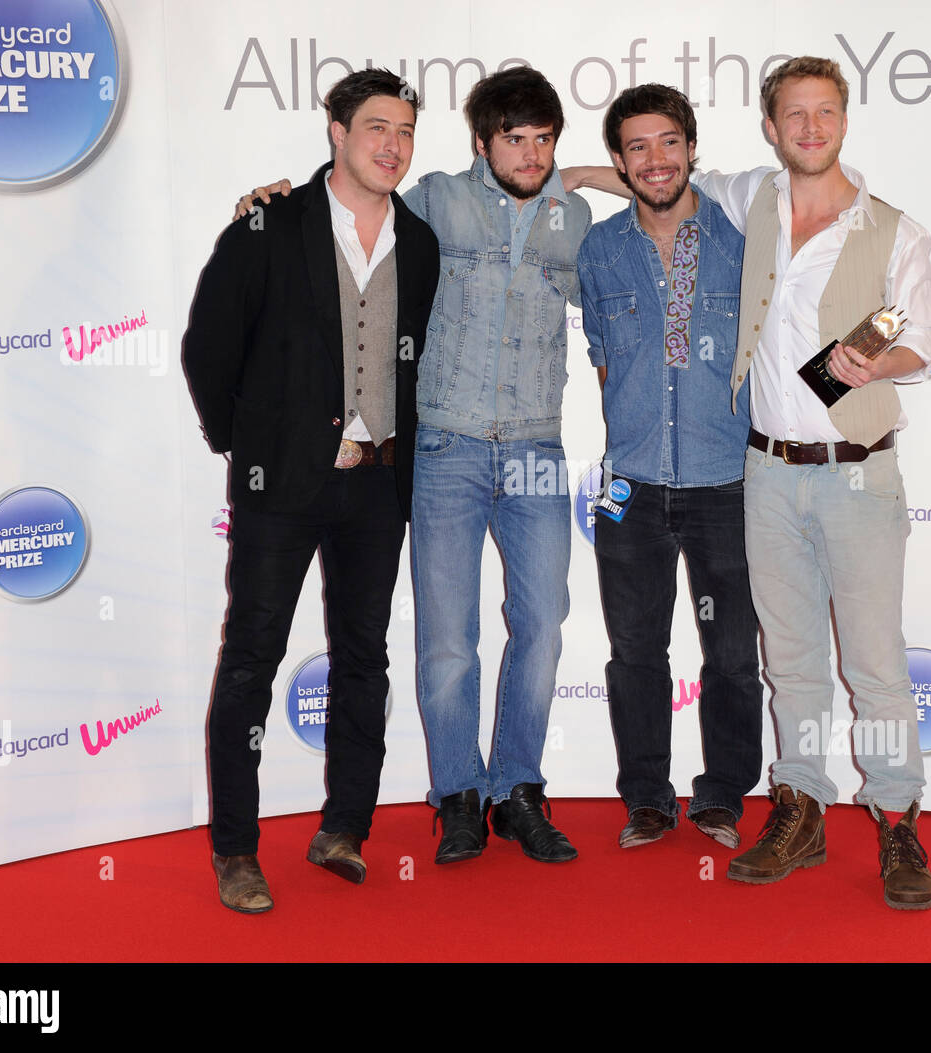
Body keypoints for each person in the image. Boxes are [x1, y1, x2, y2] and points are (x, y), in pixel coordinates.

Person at [237, 67, 591, 865]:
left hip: (537, 445)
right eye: (514, 138)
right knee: (447, 642)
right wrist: (270, 204)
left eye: (544, 141)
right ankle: (458, 795)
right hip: (445, 446)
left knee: (540, 627)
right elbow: (344, 208)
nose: (530, 155)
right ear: (480, 141)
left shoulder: (576, 218)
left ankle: (519, 790)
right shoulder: (432, 198)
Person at [184, 68, 439, 912]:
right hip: (279, 487)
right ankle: (236, 851)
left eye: (403, 130)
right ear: (335, 131)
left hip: (378, 488)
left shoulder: (422, 241)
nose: (392, 145)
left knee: (365, 656)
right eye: (375, 128)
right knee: (252, 658)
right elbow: (209, 349)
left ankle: (344, 828)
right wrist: (248, 443)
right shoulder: (268, 224)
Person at [697, 56, 931, 908]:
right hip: (766, 472)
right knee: (791, 660)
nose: (809, 127)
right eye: (793, 114)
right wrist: (579, 175)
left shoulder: (894, 229)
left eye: (824, 112)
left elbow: (924, 340)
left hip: (858, 478)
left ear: (844, 120)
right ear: (771, 126)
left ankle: (898, 817)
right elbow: (656, 177)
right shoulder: (753, 196)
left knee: (873, 663)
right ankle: (799, 805)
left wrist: (875, 361)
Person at [575, 85, 761, 851]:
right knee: (635, 650)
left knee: (730, 654)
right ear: (620, 161)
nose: (657, 160)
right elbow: (601, 360)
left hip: (727, 480)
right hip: (630, 483)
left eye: (670, 142)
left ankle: (722, 796)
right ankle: (647, 797)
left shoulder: (740, 240)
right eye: (639, 147)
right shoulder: (600, 249)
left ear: (692, 148)